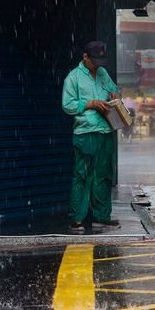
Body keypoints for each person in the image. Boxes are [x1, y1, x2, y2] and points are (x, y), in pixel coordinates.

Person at [62, 41, 121, 234]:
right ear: (85, 57)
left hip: (106, 130)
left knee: (103, 175)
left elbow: (114, 90)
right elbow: (68, 105)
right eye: (94, 60)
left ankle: (101, 218)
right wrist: (91, 104)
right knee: (83, 175)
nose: (98, 64)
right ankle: (76, 219)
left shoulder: (103, 73)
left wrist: (114, 93)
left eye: (100, 60)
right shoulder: (74, 78)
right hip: (86, 132)